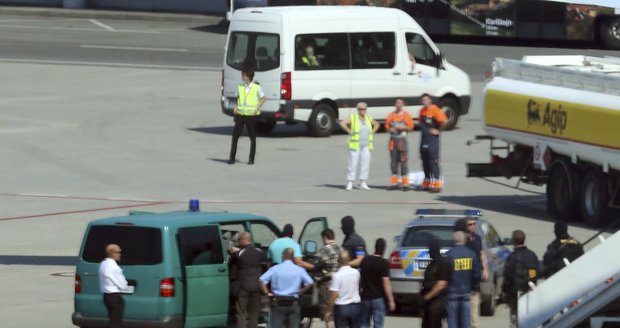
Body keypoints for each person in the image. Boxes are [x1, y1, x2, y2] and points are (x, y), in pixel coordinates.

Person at [260, 248, 314, 328]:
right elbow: (310, 282)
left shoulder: (275, 269)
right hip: (293, 302)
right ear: (292, 257)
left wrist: (267, 293)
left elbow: (261, 280)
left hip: (278, 302)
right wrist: (301, 291)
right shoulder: (300, 270)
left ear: (283, 256)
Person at [454, 218, 488, 328]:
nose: (473, 226)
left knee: (474, 304)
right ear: (465, 226)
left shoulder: (477, 238)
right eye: (470, 224)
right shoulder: (462, 240)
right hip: (464, 276)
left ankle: (474, 325)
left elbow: (481, 253)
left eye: (474, 224)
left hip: (475, 275)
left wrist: (485, 269)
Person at [228, 68, 267, 165]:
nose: (242, 77)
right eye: (242, 75)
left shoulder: (256, 87)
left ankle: (251, 159)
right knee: (235, 136)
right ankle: (231, 158)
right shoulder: (240, 87)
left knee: (252, 137)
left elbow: (263, 98)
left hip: (251, 115)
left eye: (244, 75)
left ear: (249, 77)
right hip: (240, 115)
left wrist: (257, 108)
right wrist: (236, 107)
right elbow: (239, 98)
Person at [501, 230, 539, 328]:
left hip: (514, 294)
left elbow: (507, 277)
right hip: (529, 292)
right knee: (529, 318)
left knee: (515, 319)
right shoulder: (532, 255)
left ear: (513, 241)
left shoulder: (511, 257)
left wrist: (504, 291)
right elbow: (535, 273)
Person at [339, 102, 380, 191]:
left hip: (366, 145)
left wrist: (372, 132)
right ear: (358, 110)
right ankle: (350, 182)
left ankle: (363, 182)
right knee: (352, 163)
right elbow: (342, 123)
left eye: (364, 109)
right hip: (355, 145)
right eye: (361, 109)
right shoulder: (353, 117)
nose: (363, 111)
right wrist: (349, 131)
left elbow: (377, 124)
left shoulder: (368, 118)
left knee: (365, 163)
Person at [229, 232, 266, 328]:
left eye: (239, 240)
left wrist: (232, 250)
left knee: (241, 312)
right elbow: (265, 257)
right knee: (254, 313)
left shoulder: (239, 254)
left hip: (243, 287)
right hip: (257, 287)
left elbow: (232, 258)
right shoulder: (258, 252)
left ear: (243, 240)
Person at [445, 231, 480, 328]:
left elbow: (445, 275)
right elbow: (476, 274)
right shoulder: (471, 254)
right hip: (467, 292)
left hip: (452, 292)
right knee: (465, 321)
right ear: (464, 240)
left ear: (453, 241)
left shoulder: (448, 255)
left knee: (452, 321)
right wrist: (476, 288)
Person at [359, 238, 395, 328]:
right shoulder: (384, 263)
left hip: (365, 297)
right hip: (378, 298)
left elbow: (360, 278)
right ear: (383, 249)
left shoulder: (365, 260)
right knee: (378, 325)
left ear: (375, 247)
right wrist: (391, 301)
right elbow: (386, 283)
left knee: (363, 323)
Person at [418, 94, 448, 192]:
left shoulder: (435, 110)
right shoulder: (422, 111)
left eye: (426, 100)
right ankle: (427, 182)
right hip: (424, 139)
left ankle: (436, 184)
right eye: (423, 100)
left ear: (430, 100)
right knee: (425, 161)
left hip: (433, 140)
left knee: (433, 161)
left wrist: (438, 131)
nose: (424, 102)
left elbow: (445, 121)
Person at [385, 98, 414, 190]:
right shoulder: (391, 115)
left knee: (403, 161)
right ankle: (395, 183)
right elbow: (386, 128)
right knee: (393, 162)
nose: (399, 104)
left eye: (400, 103)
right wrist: (391, 129)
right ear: (395, 104)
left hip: (402, 141)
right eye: (397, 103)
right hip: (393, 141)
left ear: (403, 104)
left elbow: (411, 128)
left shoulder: (407, 115)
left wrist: (403, 128)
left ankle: (405, 184)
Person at [315, 229, 342, 328]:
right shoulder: (340, 250)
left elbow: (317, 267)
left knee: (328, 314)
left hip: (327, 284)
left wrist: (317, 279)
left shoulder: (324, 250)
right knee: (337, 312)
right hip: (340, 285)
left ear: (325, 237)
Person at [420, 239, 450, 328]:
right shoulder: (432, 264)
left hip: (437, 303)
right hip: (429, 305)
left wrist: (426, 298)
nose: (429, 251)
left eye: (430, 249)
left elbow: (441, 285)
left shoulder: (443, 264)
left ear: (434, 249)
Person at [328, 251, 362, 328]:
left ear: (338, 261)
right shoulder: (356, 272)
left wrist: (329, 310)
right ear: (349, 259)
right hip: (355, 305)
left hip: (342, 307)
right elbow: (358, 286)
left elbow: (333, 295)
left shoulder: (337, 276)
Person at [99, 244, 129, 328]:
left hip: (106, 296)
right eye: (118, 252)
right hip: (114, 297)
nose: (120, 254)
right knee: (116, 322)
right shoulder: (114, 267)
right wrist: (125, 284)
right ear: (112, 253)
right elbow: (123, 285)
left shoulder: (103, 264)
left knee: (113, 320)